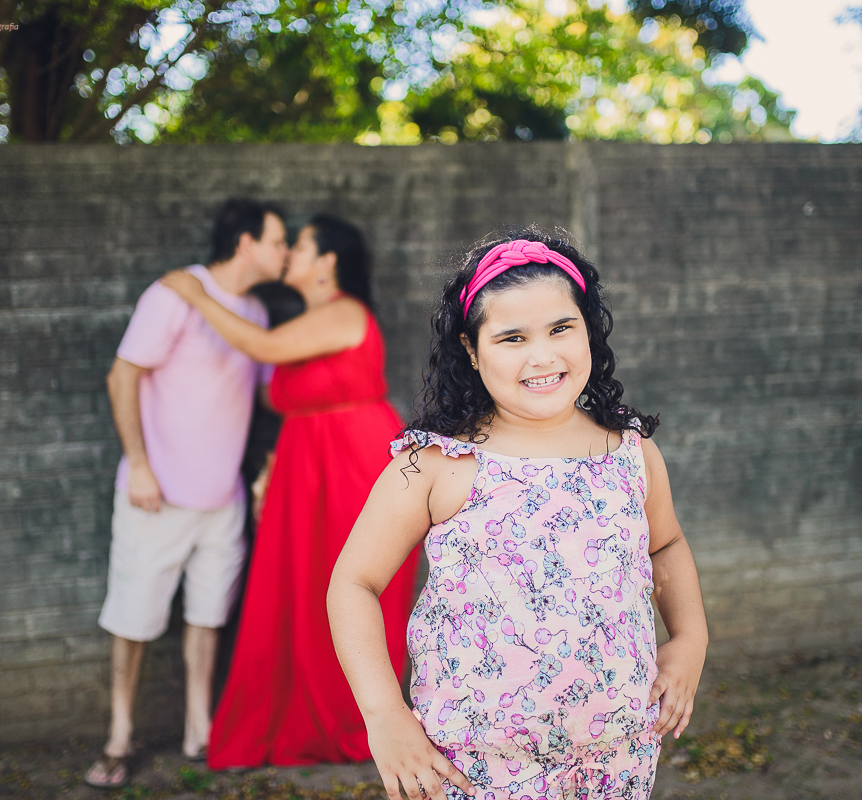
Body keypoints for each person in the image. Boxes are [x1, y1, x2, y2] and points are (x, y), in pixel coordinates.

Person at [327, 229, 709, 800]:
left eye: (561, 328)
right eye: (511, 337)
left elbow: (666, 546)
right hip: (470, 765)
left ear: (590, 330)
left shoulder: (632, 452)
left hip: (615, 757)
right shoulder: (435, 462)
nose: (543, 355)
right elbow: (353, 583)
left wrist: (690, 636)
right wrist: (384, 715)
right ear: (471, 350)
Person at [159, 213, 420, 767]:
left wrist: (196, 295)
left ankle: (358, 721)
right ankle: (304, 719)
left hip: (352, 463)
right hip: (307, 466)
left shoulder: (343, 312)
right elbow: (283, 392)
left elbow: (260, 346)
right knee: (302, 587)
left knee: (351, 582)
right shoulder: (309, 319)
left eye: (299, 246)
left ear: (327, 261)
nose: (290, 256)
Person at [85, 199, 288, 788]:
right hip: (157, 495)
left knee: (207, 618)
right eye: (277, 240)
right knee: (134, 617)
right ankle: (119, 736)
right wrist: (140, 465)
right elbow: (121, 374)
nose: (284, 251)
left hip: (222, 501)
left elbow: (269, 396)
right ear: (246, 242)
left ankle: (199, 730)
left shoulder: (254, 311)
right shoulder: (174, 293)